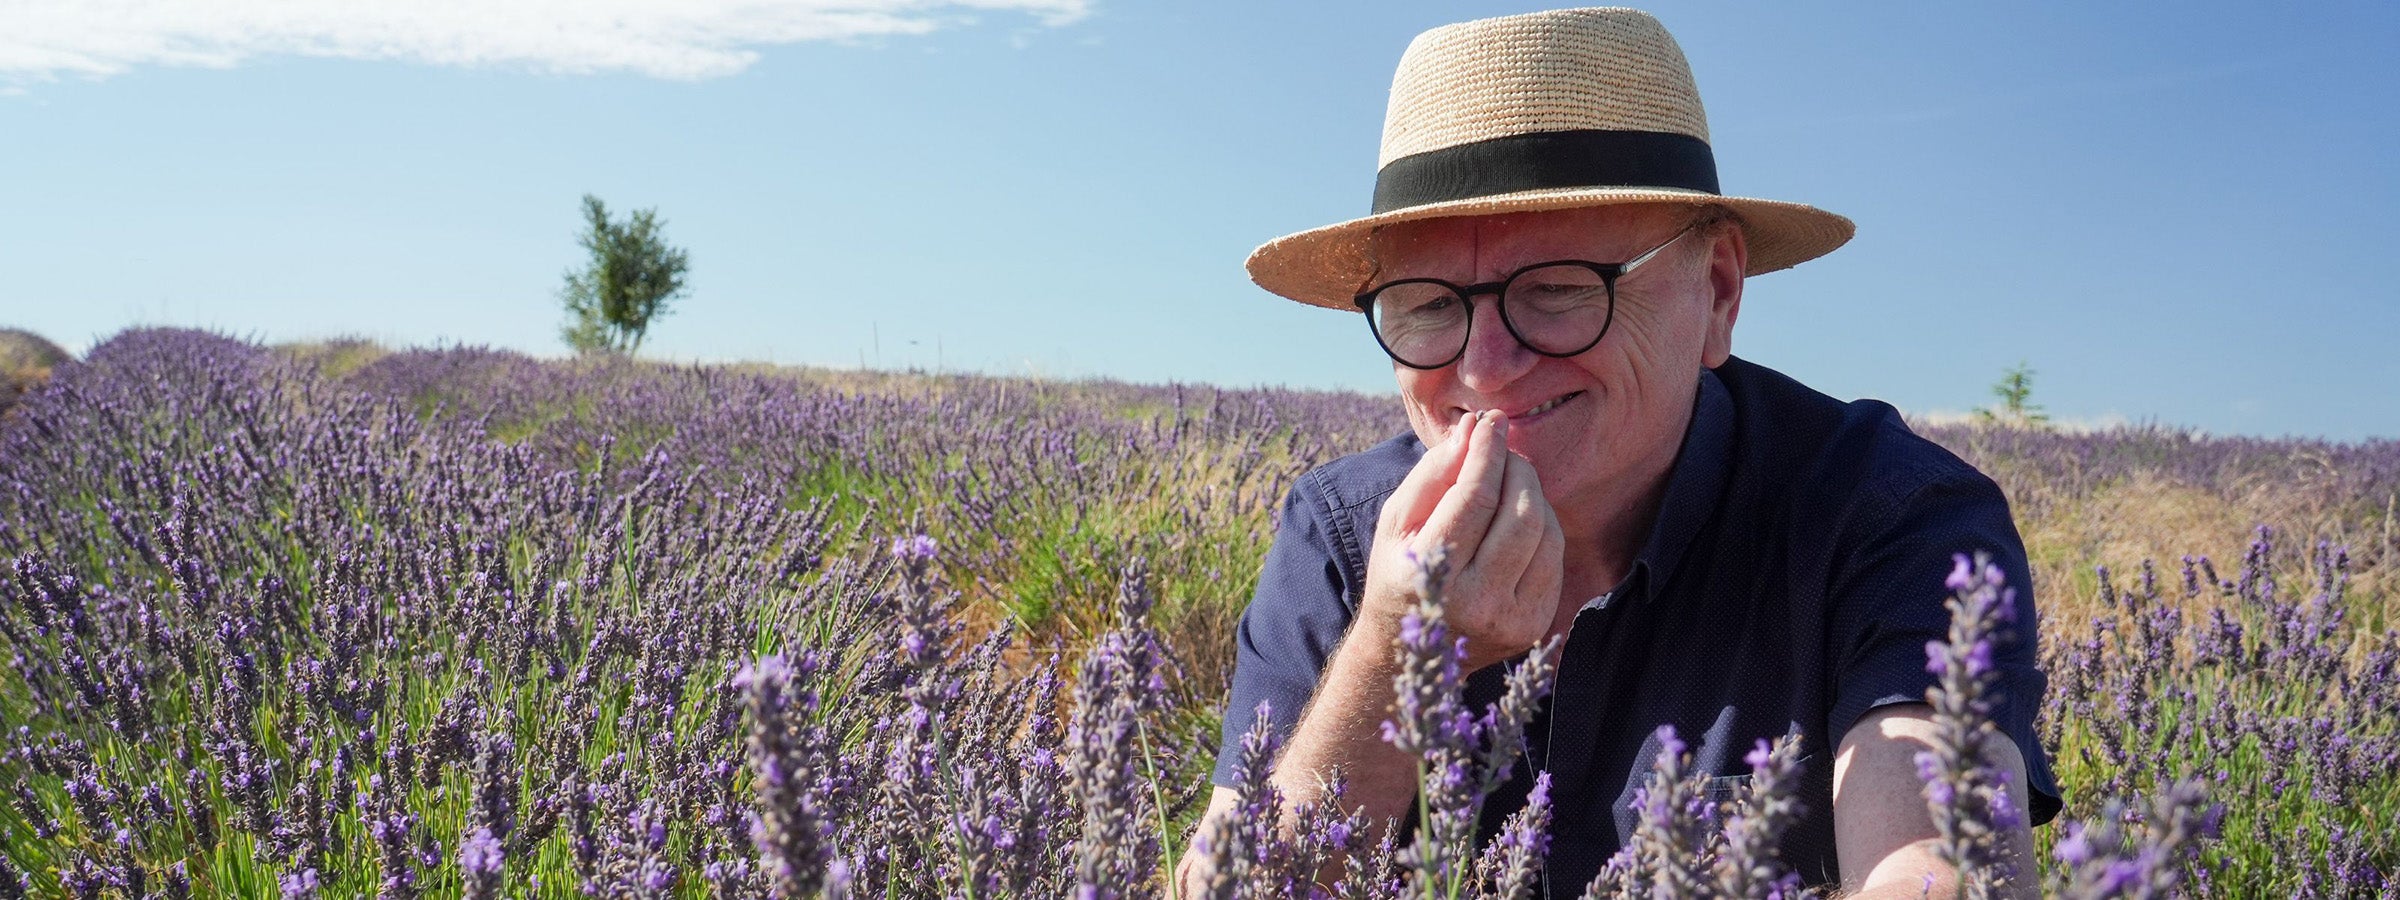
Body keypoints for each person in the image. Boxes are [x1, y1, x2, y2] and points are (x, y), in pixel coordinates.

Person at [1175, 8, 2059, 898]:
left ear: (1716, 293)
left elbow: (1934, 868)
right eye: (1428, 304)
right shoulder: (1342, 529)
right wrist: (1394, 657)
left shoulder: (1892, 521)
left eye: (1558, 289)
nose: (1483, 369)